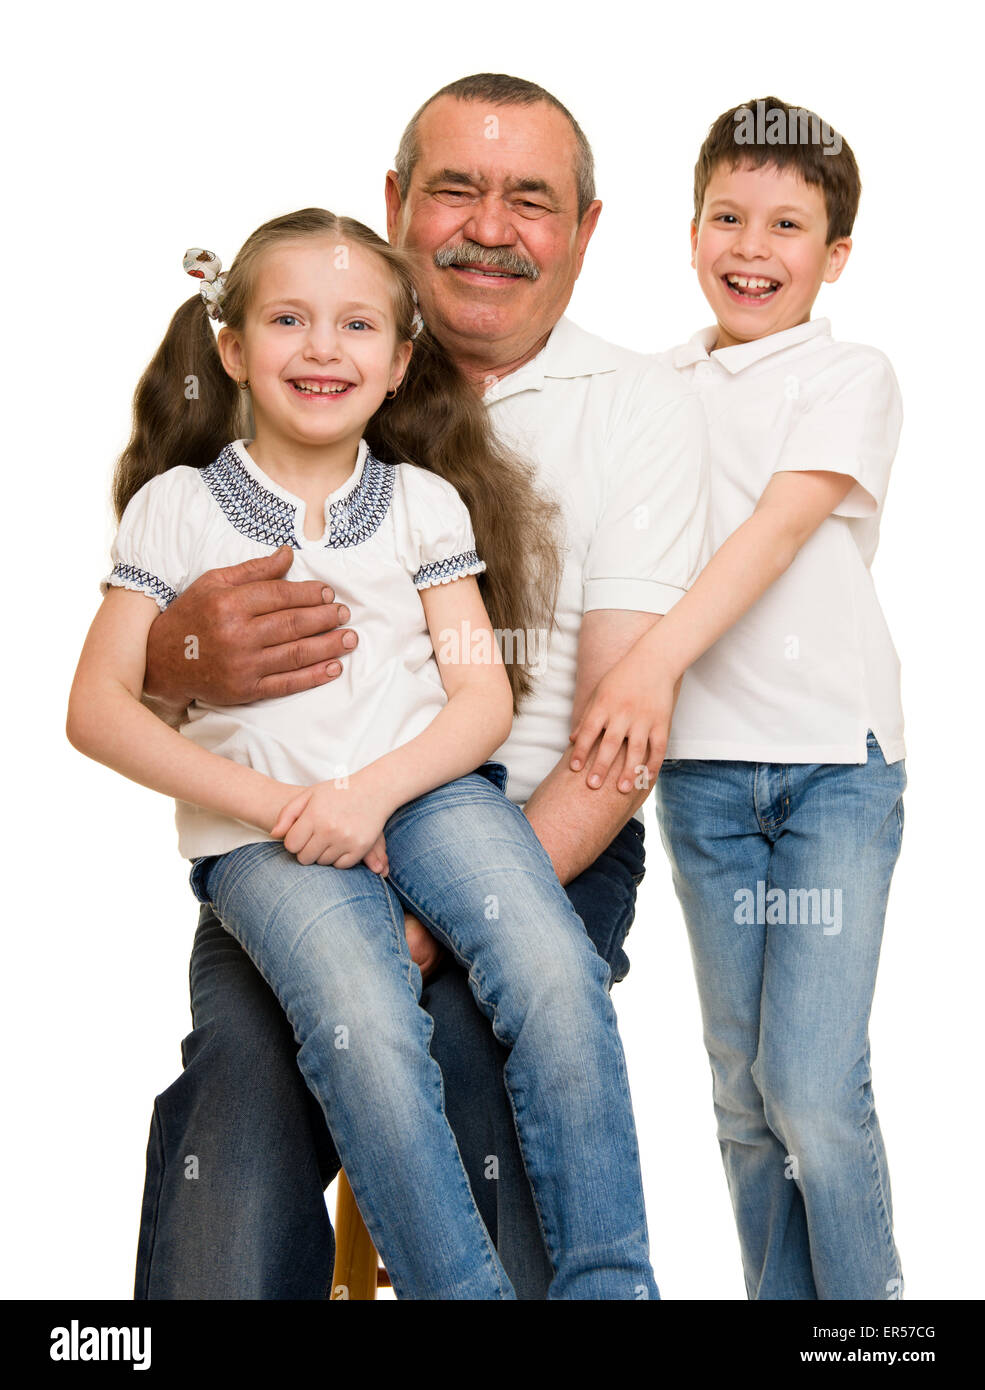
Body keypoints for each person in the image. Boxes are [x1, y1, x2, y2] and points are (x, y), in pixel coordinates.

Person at [133, 74, 709, 1299]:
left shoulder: (642, 408)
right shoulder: (313, 368)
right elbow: (141, 658)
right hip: (293, 840)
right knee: (235, 1107)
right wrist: (184, 653)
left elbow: (615, 744)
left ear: (586, 232)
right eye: (454, 188)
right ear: (395, 203)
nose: (489, 228)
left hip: (529, 835)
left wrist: (405, 936)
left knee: (468, 1055)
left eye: (531, 200)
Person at [568, 97, 907, 1299]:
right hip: (704, 776)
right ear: (691, 226)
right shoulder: (650, 383)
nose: (749, 248)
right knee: (741, 1090)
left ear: (834, 257)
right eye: (726, 216)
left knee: (812, 1086)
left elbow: (769, 537)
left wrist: (647, 664)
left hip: (829, 769)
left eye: (785, 225)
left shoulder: (847, 376)